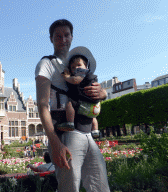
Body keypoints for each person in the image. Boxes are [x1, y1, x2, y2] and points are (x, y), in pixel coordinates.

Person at [35, 19, 110, 192]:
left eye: (66, 35)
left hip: (86, 132)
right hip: (66, 135)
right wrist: (55, 143)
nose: (63, 39)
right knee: (69, 188)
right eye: (58, 36)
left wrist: (103, 93)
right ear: (51, 39)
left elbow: (91, 87)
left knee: (100, 186)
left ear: (72, 37)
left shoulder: (77, 62)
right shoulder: (46, 64)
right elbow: (42, 105)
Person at [56, 47, 100, 138]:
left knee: (69, 104)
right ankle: (95, 130)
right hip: (95, 106)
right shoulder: (90, 76)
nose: (76, 68)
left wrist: (67, 77)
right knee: (92, 117)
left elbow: (75, 80)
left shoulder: (82, 73)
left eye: (79, 65)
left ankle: (70, 123)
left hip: (85, 104)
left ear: (86, 67)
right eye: (73, 67)